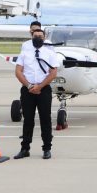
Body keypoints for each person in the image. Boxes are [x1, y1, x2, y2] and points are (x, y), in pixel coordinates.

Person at [13, 29, 58, 160]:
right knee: (28, 120)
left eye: (40, 36)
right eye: (35, 36)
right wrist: (29, 85)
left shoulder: (50, 54)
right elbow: (18, 72)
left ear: (44, 38)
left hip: (43, 90)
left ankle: (47, 148)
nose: (38, 38)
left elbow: (53, 73)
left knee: (45, 119)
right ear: (31, 37)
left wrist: (40, 86)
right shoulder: (24, 53)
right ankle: (25, 148)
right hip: (27, 89)